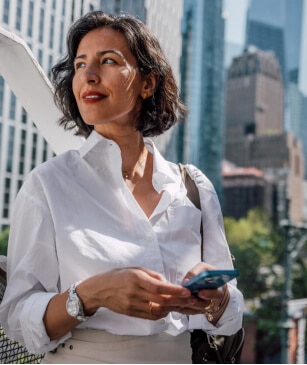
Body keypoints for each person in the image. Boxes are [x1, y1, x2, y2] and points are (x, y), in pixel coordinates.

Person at [0, 10, 244, 364]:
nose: (89, 75)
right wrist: (90, 294)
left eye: (108, 61)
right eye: (80, 64)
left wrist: (217, 297)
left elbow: (232, 314)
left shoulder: (194, 188)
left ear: (148, 83)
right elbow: (18, 320)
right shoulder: (48, 185)